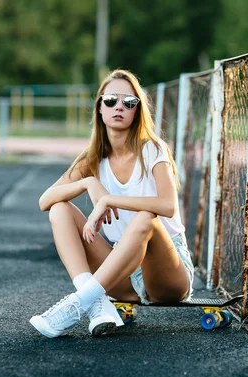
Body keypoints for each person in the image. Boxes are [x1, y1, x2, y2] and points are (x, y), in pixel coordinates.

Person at [30, 69, 195, 338]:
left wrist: (108, 199)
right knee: (60, 208)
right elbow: (44, 201)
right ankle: (97, 305)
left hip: (167, 274)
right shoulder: (93, 157)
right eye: (111, 100)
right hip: (121, 269)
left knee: (146, 217)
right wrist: (87, 184)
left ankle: (77, 304)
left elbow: (168, 206)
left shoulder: (152, 149)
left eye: (129, 102)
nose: (119, 107)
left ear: (137, 111)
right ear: (100, 108)